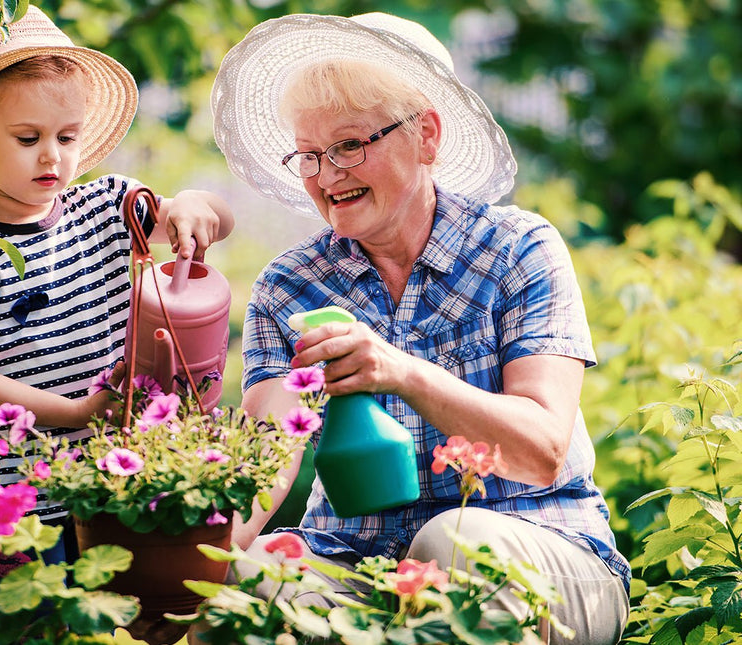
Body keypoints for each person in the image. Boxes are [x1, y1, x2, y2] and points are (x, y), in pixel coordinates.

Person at [207, 12, 629, 644]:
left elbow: (541, 450)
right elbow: (265, 464)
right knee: (250, 580)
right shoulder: (290, 286)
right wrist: (195, 574)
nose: (326, 176)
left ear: (426, 135)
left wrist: (399, 372)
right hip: (358, 563)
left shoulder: (516, 249)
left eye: (349, 146)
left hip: (545, 553)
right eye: (310, 155)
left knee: (454, 544)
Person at [0, 5, 233, 608]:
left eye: (67, 138)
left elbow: (215, 219)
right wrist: (75, 411)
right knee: (39, 623)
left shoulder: (107, 205)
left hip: (115, 471)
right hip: (14, 492)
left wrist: (193, 203)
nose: (52, 157)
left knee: (138, 610)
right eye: (28, 139)